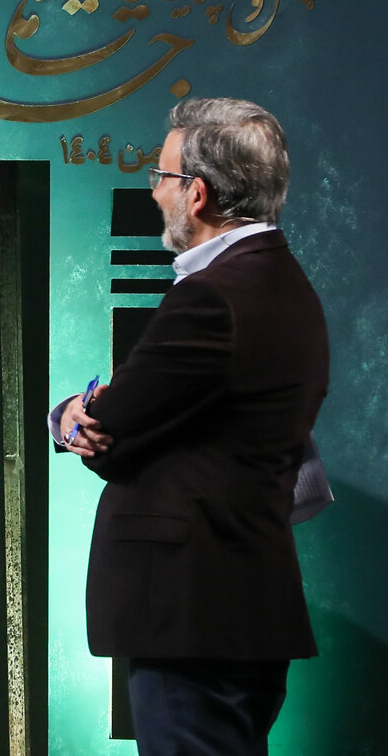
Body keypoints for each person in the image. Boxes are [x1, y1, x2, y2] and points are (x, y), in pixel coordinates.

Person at [52, 98, 328, 754]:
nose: (155, 192)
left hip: (193, 614)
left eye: (161, 176)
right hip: (241, 608)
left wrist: (69, 416)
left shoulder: (211, 295)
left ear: (197, 193)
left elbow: (109, 433)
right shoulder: (285, 282)